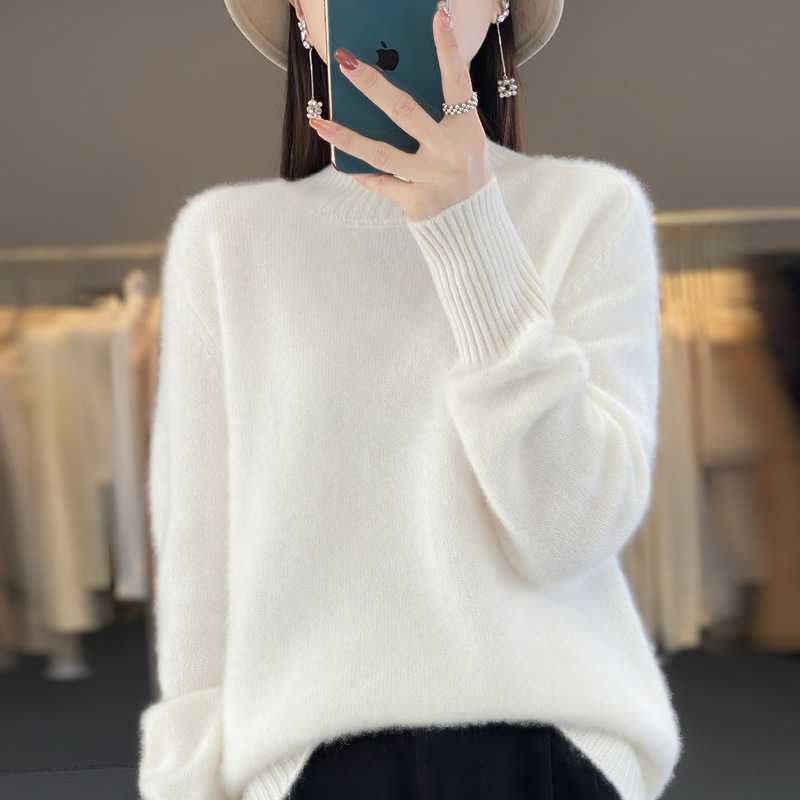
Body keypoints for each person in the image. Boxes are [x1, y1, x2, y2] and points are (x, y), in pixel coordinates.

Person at [137, 1, 684, 799]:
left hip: (549, 746)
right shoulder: (227, 238)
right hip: (309, 759)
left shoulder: (591, 210)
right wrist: (186, 781)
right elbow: (199, 558)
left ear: (500, 4)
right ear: (302, 15)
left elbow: (572, 534)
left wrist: (471, 230)